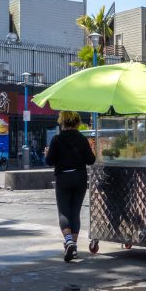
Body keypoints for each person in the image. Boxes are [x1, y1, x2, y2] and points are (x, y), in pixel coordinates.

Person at [45, 110, 96, 262]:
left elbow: (50, 162)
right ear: (77, 123)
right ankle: (72, 245)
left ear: (63, 122)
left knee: (64, 212)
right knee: (75, 212)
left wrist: (47, 154)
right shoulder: (82, 139)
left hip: (63, 177)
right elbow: (91, 161)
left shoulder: (57, 139)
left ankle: (68, 242)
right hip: (80, 177)